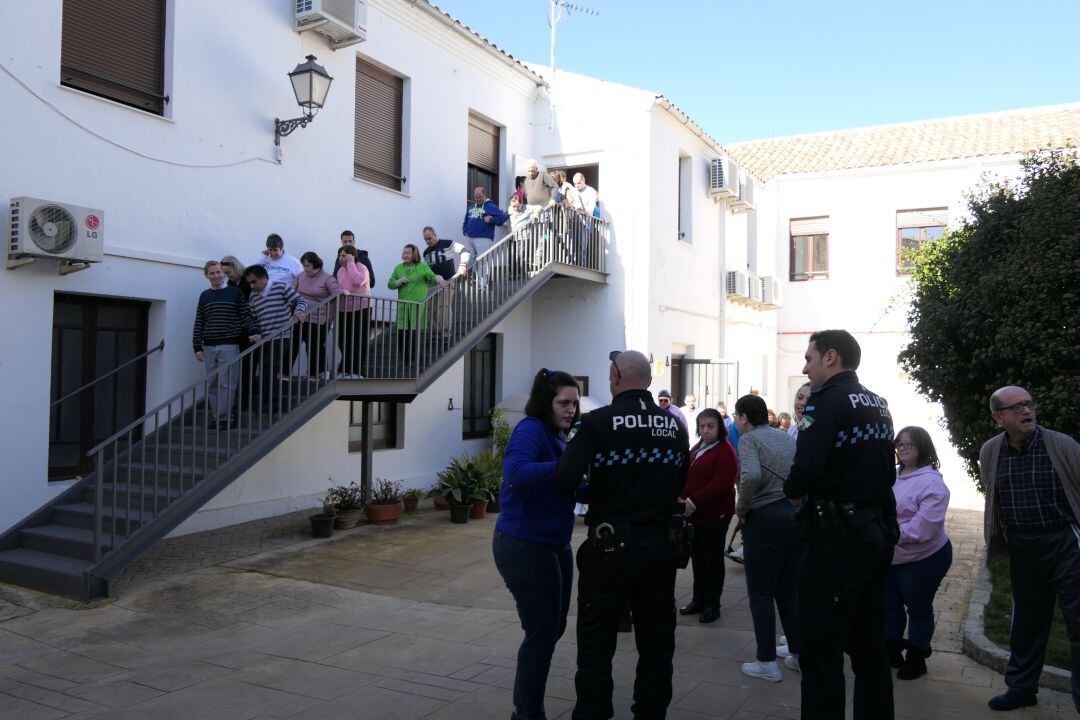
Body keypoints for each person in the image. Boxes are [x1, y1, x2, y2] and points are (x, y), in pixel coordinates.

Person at [553, 350, 690, 720]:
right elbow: (680, 481)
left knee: (597, 642)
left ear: (615, 377)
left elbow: (565, 479)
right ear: (647, 380)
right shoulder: (674, 425)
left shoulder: (596, 423)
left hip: (610, 547)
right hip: (660, 547)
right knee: (657, 641)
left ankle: (594, 713)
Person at [783, 329, 897, 720]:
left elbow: (806, 469)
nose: (805, 367)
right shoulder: (878, 403)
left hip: (836, 544)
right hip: (873, 535)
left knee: (821, 654)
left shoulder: (825, 400)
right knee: (870, 651)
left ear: (830, 357)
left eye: (809, 358)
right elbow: (887, 473)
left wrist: (792, 490)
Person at [980, 386, 1080, 713]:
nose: (1027, 411)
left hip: (1065, 544)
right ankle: (1022, 688)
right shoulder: (991, 452)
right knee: (1026, 623)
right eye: (1017, 407)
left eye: (1029, 404)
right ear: (999, 417)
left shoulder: (1063, 446)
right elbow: (995, 497)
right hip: (1023, 546)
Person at [493, 369, 581, 720]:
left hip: (555, 544)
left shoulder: (560, 435)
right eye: (564, 402)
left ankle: (525, 709)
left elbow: (570, 484)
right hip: (524, 544)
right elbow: (516, 473)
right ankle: (527, 713)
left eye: (574, 403)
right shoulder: (531, 429)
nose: (571, 409)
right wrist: (566, 466)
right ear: (546, 402)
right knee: (542, 633)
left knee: (550, 628)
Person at [733, 394, 803, 683]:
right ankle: (798, 655)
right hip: (793, 518)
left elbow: (750, 478)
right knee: (788, 592)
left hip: (765, 520)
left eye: (737, 416)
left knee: (761, 594)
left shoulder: (748, 440)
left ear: (744, 418)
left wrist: (741, 509)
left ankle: (766, 661)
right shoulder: (785, 436)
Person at [887, 426, 952, 681]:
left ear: (922, 447)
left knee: (918, 607)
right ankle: (891, 650)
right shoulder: (892, 475)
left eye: (908, 444)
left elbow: (922, 528)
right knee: (890, 603)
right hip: (892, 555)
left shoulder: (932, 483)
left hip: (925, 558)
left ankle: (916, 658)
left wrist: (885, 533)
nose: (902, 449)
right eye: (899, 444)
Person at [678, 408, 737, 624]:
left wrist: (694, 500)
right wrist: (682, 497)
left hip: (715, 514)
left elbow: (722, 483)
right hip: (696, 515)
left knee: (712, 560)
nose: (705, 430)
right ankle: (698, 599)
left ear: (719, 427)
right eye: (702, 426)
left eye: (710, 426)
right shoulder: (698, 447)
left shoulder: (725, 450)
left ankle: (713, 604)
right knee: (698, 558)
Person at [192, 261, 259, 429]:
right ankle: (216, 417)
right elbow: (199, 321)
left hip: (229, 344)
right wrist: (197, 347)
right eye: (212, 273)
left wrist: (253, 331)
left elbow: (245, 314)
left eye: (218, 272)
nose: (216, 276)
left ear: (223, 273)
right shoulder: (204, 296)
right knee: (213, 384)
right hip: (209, 346)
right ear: (206, 275)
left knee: (227, 383)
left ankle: (226, 418)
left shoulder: (235, 292)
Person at [243, 264, 307, 414]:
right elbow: (252, 317)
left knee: (268, 367)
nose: (251, 286)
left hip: (282, 336)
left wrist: (298, 312)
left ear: (265, 278)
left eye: (254, 282)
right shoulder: (253, 296)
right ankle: (268, 402)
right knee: (266, 369)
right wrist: (254, 331)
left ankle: (273, 403)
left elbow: (301, 301)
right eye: (250, 283)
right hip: (265, 338)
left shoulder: (281, 287)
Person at [387, 244, 441, 361]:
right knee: (402, 335)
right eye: (404, 252)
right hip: (403, 307)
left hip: (417, 307)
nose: (405, 255)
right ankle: (405, 359)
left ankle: (414, 360)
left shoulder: (422, 266)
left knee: (414, 336)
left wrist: (439, 279)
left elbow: (431, 277)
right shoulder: (398, 268)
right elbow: (390, 285)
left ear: (414, 254)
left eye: (408, 253)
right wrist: (398, 281)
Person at [292, 252, 340, 380]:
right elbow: (292, 288)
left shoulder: (327, 278)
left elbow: (337, 293)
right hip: (300, 316)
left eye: (308, 266)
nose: (305, 268)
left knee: (313, 346)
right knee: (292, 343)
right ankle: (285, 372)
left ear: (316, 265)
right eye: (304, 266)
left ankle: (315, 373)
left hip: (319, 318)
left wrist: (329, 312)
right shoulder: (301, 275)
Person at [421, 226, 470, 342]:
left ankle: (445, 334)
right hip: (433, 284)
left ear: (435, 234)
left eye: (429, 238)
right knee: (432, 309)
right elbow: (427, 270)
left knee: (444, 307)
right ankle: (434, 334)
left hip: (448, 281)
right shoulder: (426, 252)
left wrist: (462, 265)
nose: (427, 241)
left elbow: (464, 251)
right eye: (425, 240)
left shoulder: (447, 243)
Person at [335, 246, 370, 379]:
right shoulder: (340, 271)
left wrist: (350, 263)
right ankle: (345, 370)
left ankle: (356, 371)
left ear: (352, 256)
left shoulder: (361, 267)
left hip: (361, 307)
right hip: (344, 309)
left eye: (344, 256)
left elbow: (358, 281)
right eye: (340, 256)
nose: (341, 258)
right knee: (343, 340)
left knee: (357, 340)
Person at [462, 186, 509, 261]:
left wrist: (491, 220)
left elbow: (503, 217)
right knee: (470, 259)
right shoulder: (471, 207)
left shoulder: (490, 206)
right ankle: (473, 273)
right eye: (476, 197)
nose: (478, 199)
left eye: (480, 197)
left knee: (482, 261)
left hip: (483, 238)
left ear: (485, 194)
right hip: (470, 237)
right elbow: (466, 220)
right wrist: (465, 230)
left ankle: (482, 273)